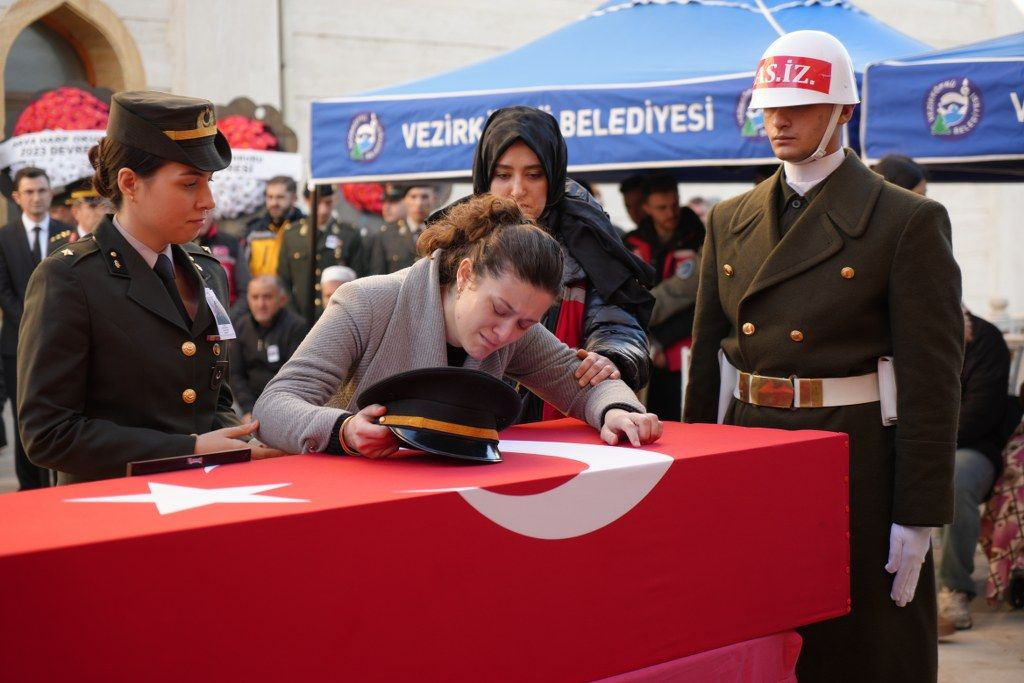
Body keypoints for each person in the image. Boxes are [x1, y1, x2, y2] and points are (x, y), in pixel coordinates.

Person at [684, 31, 963, 682]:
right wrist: (692, 476)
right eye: (768, 104)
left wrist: (919, 511)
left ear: (843, 111)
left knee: (862, 644)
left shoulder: (904, 221)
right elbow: (706, 361)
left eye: (800, 106)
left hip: (855, 457)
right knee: (762, 632)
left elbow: (931, 376)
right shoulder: (731, 217)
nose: (777, 120)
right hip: (749, 448)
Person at [253, 195, 661, 456]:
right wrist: (343, 429)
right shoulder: (366, 301)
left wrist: (618, 409)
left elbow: (583, 385)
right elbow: (275, 405)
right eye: (498, 310)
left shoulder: (515, 329)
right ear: (465, 274)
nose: (505, 334)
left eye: (525, 323)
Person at [18, 91, 280, 485]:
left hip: (206, 496)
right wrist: (188, 450)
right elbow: (49, 435)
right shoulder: (69, 278)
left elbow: (213, 398)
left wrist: (238, 442)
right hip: (113, 512)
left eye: (208, 182)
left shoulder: (207, 270)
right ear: (130, 183)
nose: (207, 201)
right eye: (189, 184)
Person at [452, 106, 653, 423]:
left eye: (534, 175)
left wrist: (610, 357)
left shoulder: (590, 243)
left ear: (554, 176)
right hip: (465, 421)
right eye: (503, 175)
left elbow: (617, 323)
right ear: (484, 178)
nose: (517, 190)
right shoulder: (452, 240)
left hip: (564, 429)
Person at [0, 166, 74, 489]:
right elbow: (4, 291)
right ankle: (29, 488)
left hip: (62, 344)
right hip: (16, 344)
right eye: (29, 192)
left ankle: (59, 483)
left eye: (42, 190)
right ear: (17, 197)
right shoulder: (4, 238)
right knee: (24, 421)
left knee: (62, 416)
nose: (37, 197)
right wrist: (35, 322)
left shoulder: (67, 234)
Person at [938, 307, 1012, 629]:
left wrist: (924, 447)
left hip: (971, 445)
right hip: (910, 442)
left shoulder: (984, 339)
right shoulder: (895, 336)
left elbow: (980, 413)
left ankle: (954, 589)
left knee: (954, 478)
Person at [624, 173, 705, 420]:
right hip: (643, 352)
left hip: (687, 352)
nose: (670, 213)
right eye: (662, 208)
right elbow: (624, 302)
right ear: (646, 208)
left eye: (674, 205)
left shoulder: (699, 240)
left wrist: (661, 338)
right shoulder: (629, 244)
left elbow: (704, 302)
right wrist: (649, 341)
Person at [278, 183, 362, 323]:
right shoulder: (292, 234)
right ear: (307, 201)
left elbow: (359, 277)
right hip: (301, 316)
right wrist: (293, 316)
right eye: (317, 203)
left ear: (334, 200)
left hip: (338, 316)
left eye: (328, 203)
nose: (323, 210)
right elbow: (283, 279)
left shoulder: (349, 234)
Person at [231, 275, 307, 422]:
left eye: (267, 297)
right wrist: (249, 410)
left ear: (282, 300)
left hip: (285, 404)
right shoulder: (241, 326)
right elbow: (236, 374)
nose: (261, 304)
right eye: (255, 297)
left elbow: (293, 376)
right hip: (247, 405)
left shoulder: (297, 327)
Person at [362, 184, 436, 276]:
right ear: (405, 200)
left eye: (425, 197)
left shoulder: (441, 234)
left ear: (434, 199)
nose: (419, 203)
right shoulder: (386, 236)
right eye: (413, 197)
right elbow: (377, 278)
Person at [243, 175, 305, 278]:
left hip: (290, 293)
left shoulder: (304, 229)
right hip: (260, 292)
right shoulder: (254, 230)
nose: (274, 203)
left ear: (294, 198)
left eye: (280, 197)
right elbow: (243, 270)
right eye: (270, 197)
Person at [195, 214, 247, 308]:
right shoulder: (178, 243)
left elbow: (245, 290)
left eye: (207, 211)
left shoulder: (230, 242)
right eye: (197, 211)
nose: (202, 217)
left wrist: (230, 319)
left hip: (230, 313)